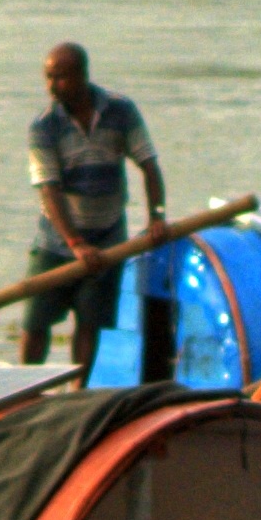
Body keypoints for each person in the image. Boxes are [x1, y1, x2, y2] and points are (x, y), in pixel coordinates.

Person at [20, 40, 169, 365]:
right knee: (35, 323)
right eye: (48, 77)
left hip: (106, 240)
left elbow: (148, 165)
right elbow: (49, 191)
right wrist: (74, 242)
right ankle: (23, 395)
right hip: (56, 242)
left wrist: (157, 217)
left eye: (60, 78)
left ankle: (80, 395)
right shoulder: (44, 126)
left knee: (91, 323)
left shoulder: (120, 111)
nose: (52, 87)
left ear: (81, 76)